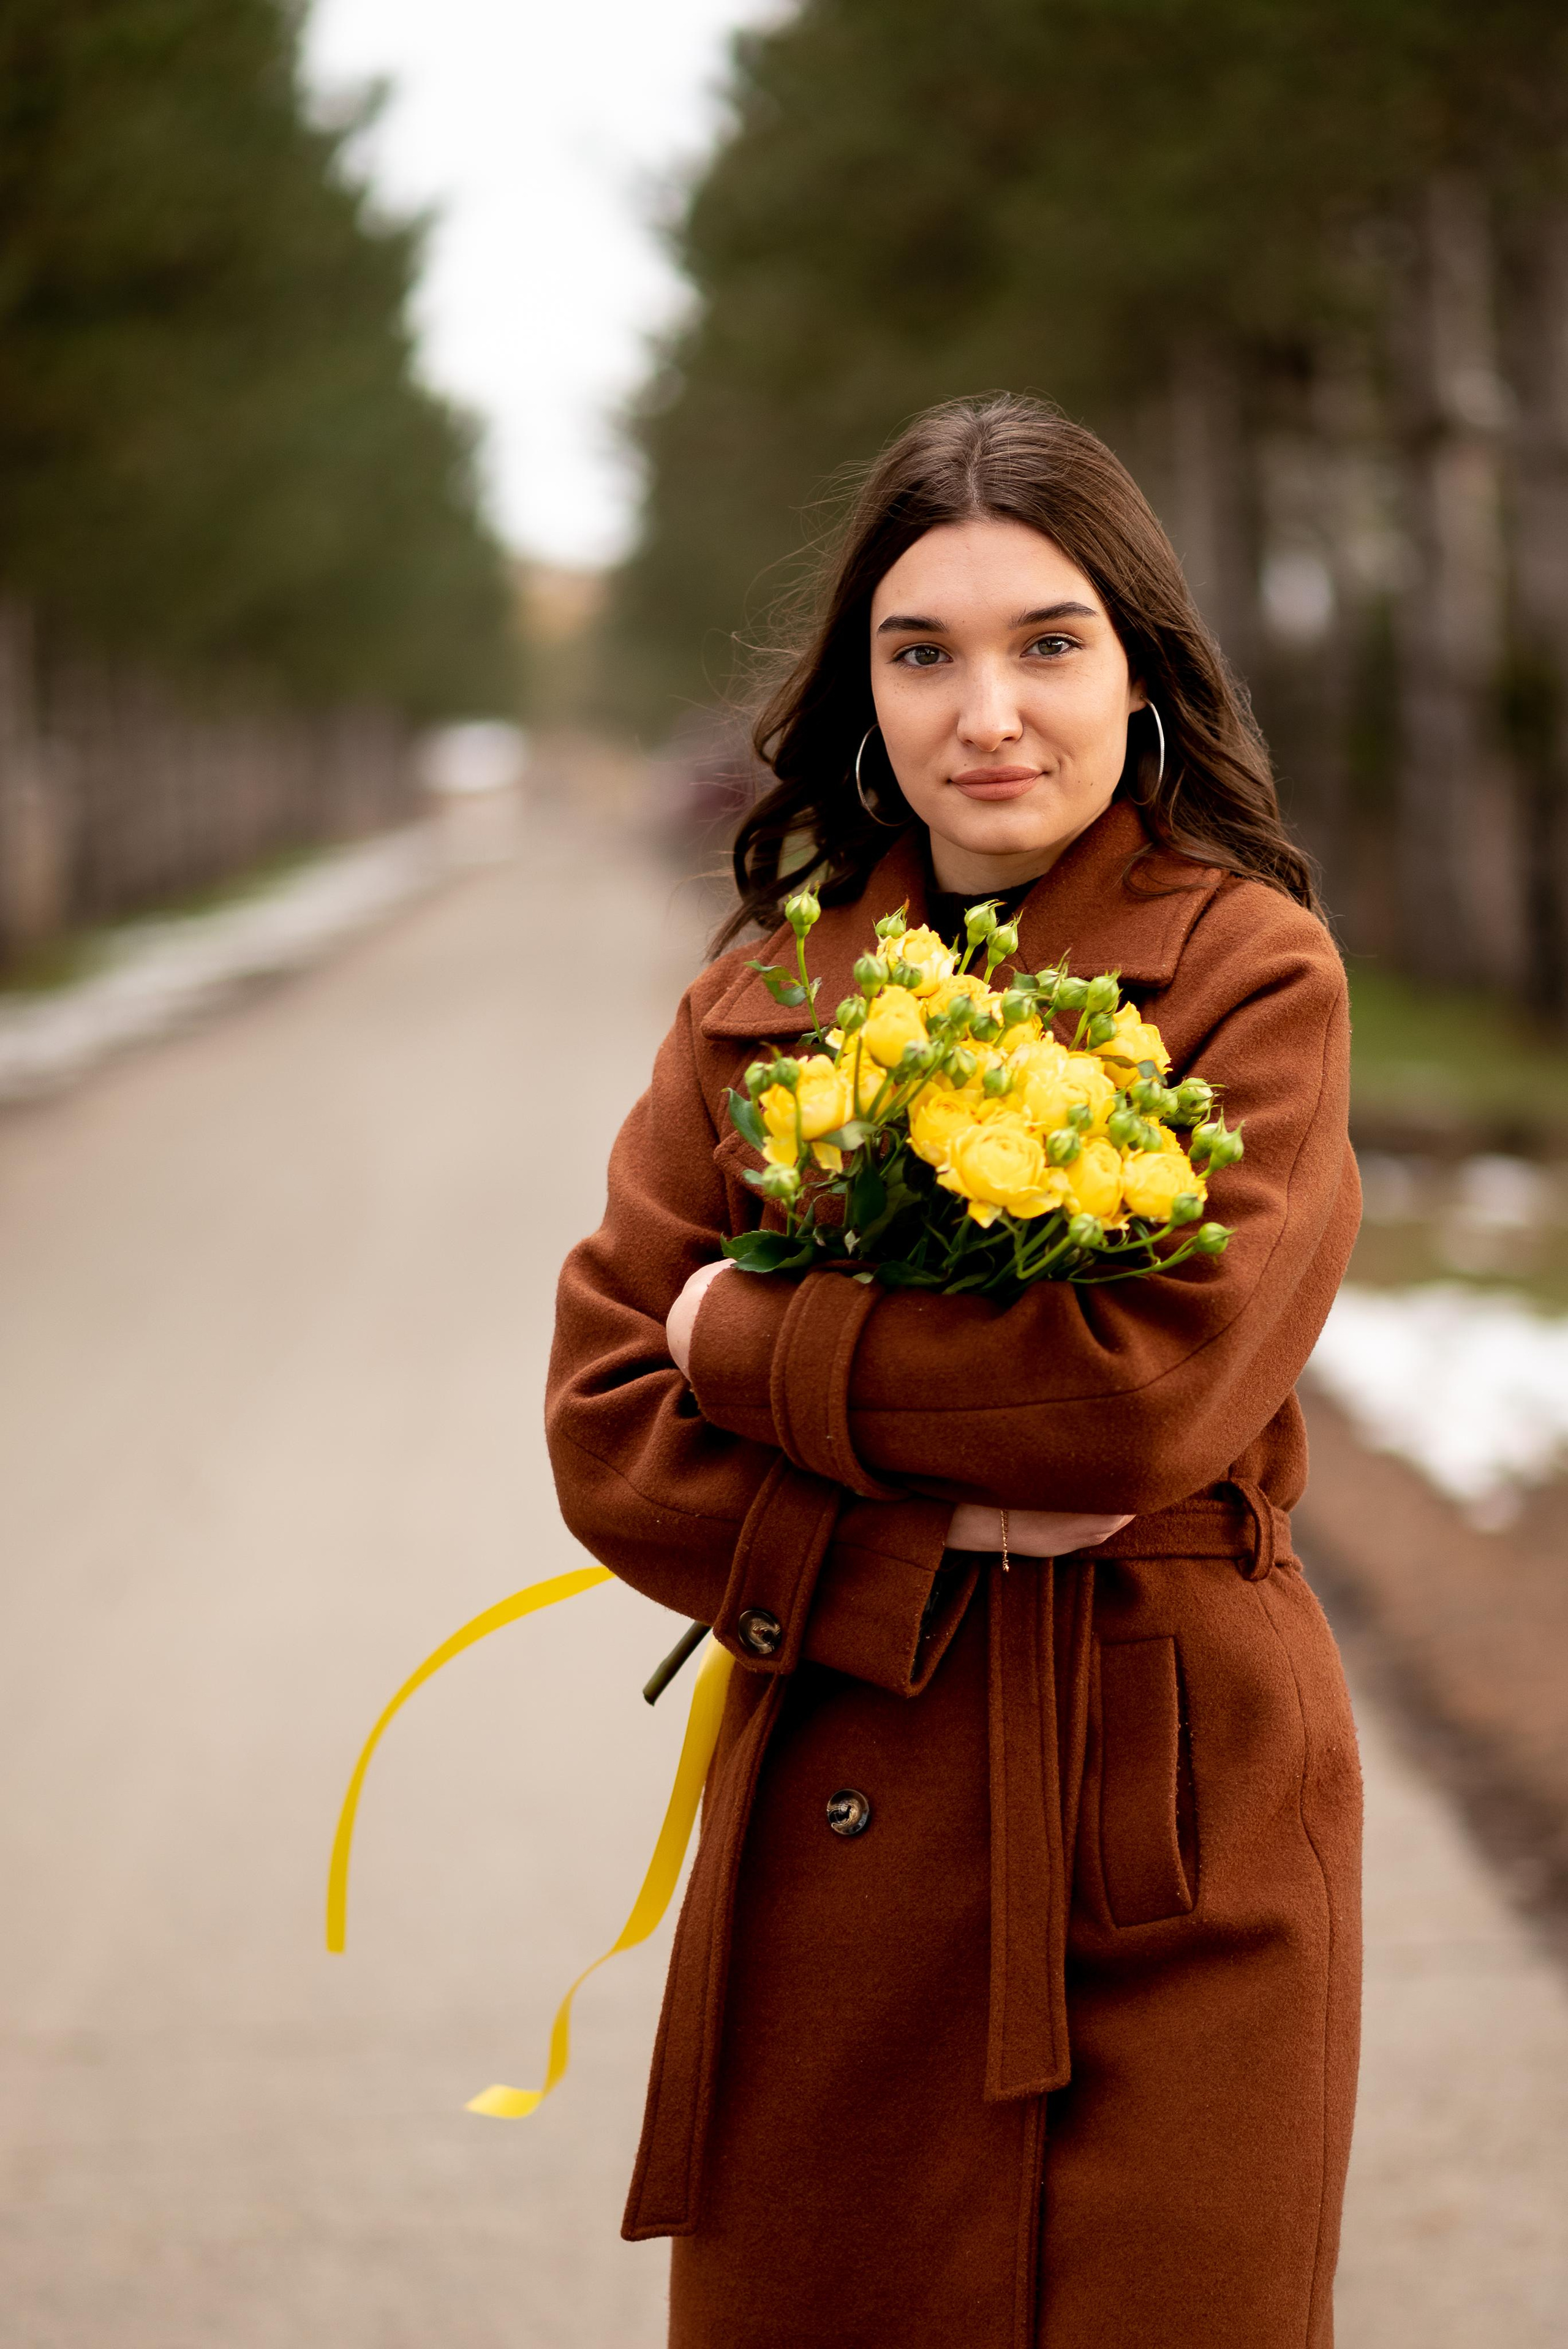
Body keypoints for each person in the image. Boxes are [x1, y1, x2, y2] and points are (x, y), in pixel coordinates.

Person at [546, 393, 1362, 2349]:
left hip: (1172, 1821)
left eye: (1047, 644)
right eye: (924, 654)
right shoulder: (763, 999)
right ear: (868, 694)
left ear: (1140, 674)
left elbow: (1140, 1398)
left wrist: (746, 1335)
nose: (987, 713)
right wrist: (930, 1545)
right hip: (843, 1798)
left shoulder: (1254, 975)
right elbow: (603, 1421)